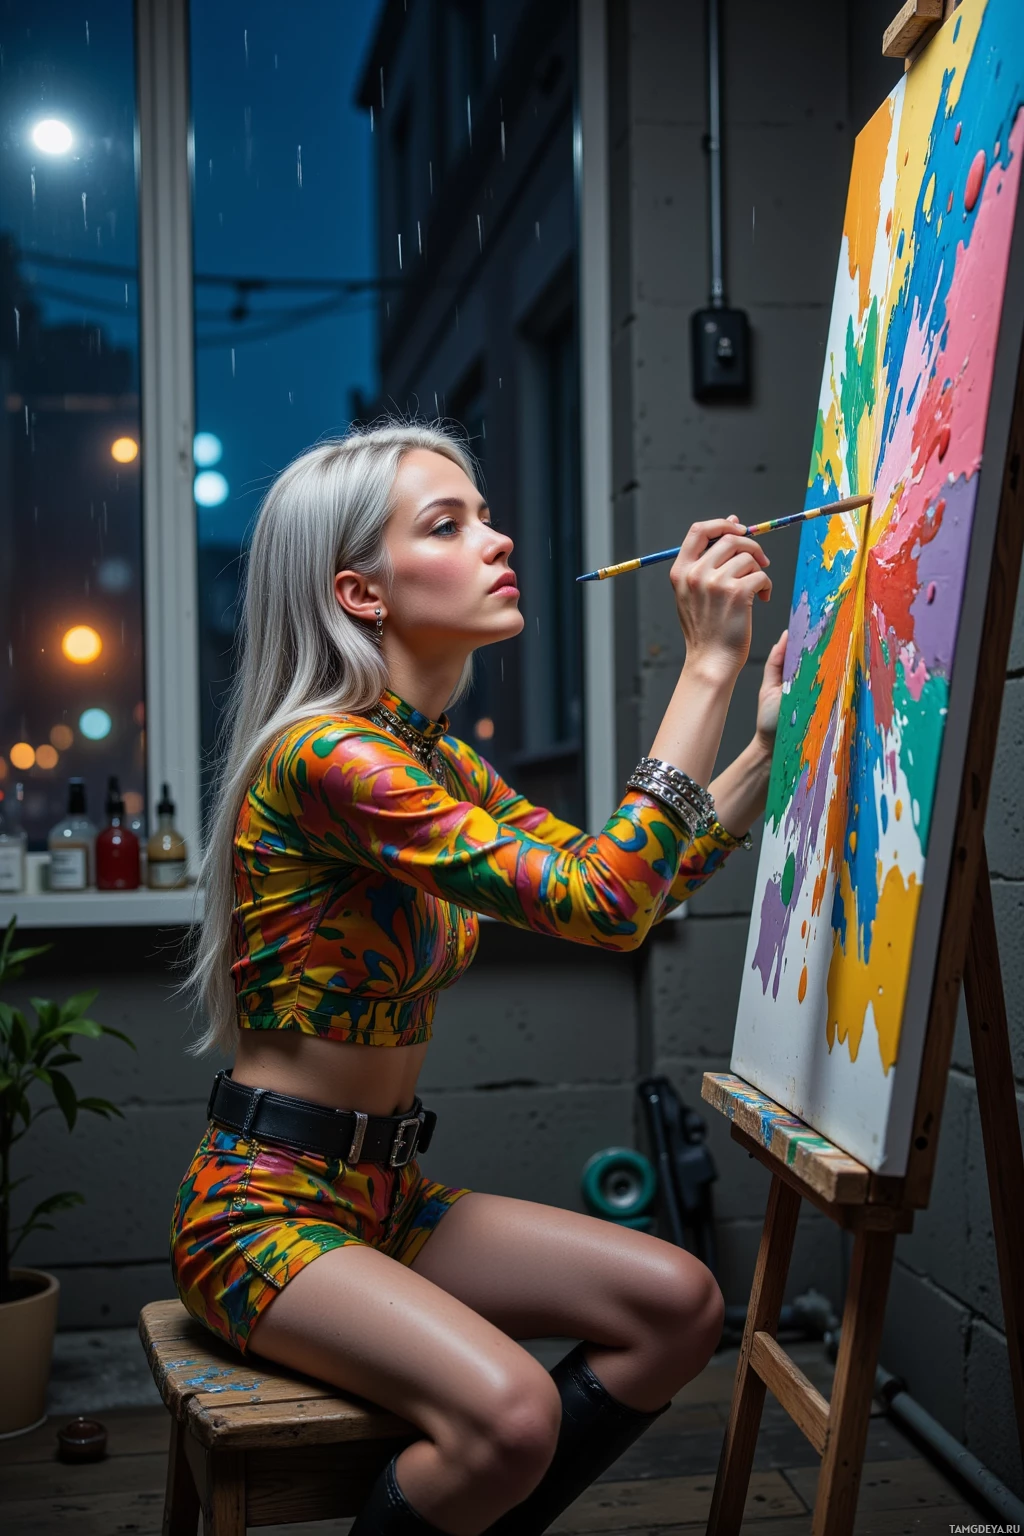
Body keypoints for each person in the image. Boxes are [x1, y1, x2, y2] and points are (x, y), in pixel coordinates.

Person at [171, 421, 787, 1536]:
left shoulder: (434, 753)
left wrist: (758, 751)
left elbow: (624, 882)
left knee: (679, 1304)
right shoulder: (331, 757)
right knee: (511, 1416)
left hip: (384, 1197)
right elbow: (598, 904)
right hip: (261, 1214)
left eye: (484, 513)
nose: (496, 539)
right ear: (359, 593)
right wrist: (703, 664)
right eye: (448, 524)